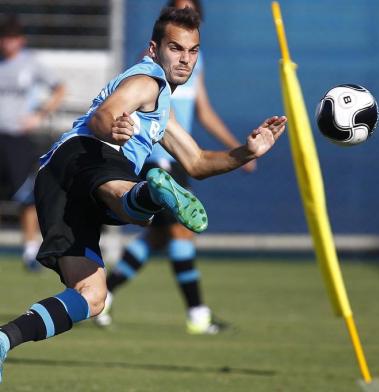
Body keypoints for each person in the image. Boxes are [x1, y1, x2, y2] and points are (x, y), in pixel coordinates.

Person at [0, 7, 286, 383]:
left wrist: (246, 152)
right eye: (176, 48)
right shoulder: (148, 80)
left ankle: (5, 340)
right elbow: (106, 114)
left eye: (193, 50)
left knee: (91, 296)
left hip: (57, 181)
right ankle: (149, 193)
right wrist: (112, 128)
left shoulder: (161, 106)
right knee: (133, 206)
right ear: (155, 49)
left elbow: (197, 161)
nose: (185, 58)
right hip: (87, 156)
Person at [95, 0, 256, 334]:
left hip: (182, 152)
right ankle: (197, 313)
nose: (185, 11)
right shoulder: (155, 61)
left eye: (190, 8)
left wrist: (238, 149)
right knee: (181, 231)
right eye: (178, 6)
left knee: (157, 237)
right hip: (159, 153)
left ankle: (106, 294)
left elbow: (204, 111)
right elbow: (127, 101)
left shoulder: (193, 61)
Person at [0, 15, 65, 271]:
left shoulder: (31, 63)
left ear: (21, 41)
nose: (8, 44)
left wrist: (39, 114)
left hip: (17, 137)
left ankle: (30, 249)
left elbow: (60, 89)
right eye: (4, 38)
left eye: (12, 39)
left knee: (26, 195)